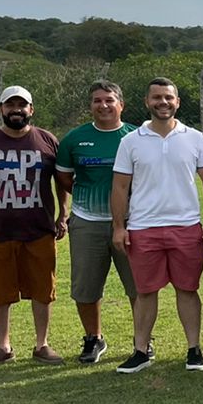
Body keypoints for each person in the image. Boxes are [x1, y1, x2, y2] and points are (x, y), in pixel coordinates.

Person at [110, 77, 203, 373]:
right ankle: (141, 350)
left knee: (187, 289)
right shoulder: (130, 141)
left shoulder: (194, 137)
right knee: (146, 292)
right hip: (143, 228)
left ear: (177, 102)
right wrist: (119, 228)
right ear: (147, 102)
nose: (163, 102)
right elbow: (120, 187)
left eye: (168, 98)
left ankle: (194, 349)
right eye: (157, 97)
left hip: (185, 226)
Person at [0, 85, 65, 365]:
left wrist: (62, 214)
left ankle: (42, 343)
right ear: (1, 109)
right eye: (10, 105)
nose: (16, 110)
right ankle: (3, 345)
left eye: (22, 105)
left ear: (31, 109)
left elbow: (62, 179)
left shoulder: (46, 140)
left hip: (39, 229)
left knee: (43, 290)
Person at [55, 81, 138, 364]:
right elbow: (64, 179)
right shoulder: (74, 139)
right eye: (97, 101)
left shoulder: (136, 136)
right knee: (86, 287)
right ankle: (94, 338)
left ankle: (142, 342)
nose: (103, 105)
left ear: (121, 105)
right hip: (87, 222)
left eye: (109, 100)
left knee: (139, 287)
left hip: (131, 223)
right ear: (90, 105)